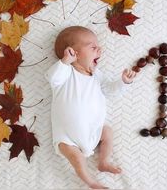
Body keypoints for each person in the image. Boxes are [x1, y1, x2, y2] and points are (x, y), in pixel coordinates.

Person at [44, 26, 136, 189]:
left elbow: (110, 91)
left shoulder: (97, 75)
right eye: (93, 47)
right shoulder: (66, 74)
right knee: (77, 159)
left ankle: (103, 161)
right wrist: (65, 62)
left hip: (93, 132)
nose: (99, 49)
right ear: (74, 53)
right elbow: (52, 78)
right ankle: (90, 181)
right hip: (67, 138)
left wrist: (123, 82)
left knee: (107, 132)